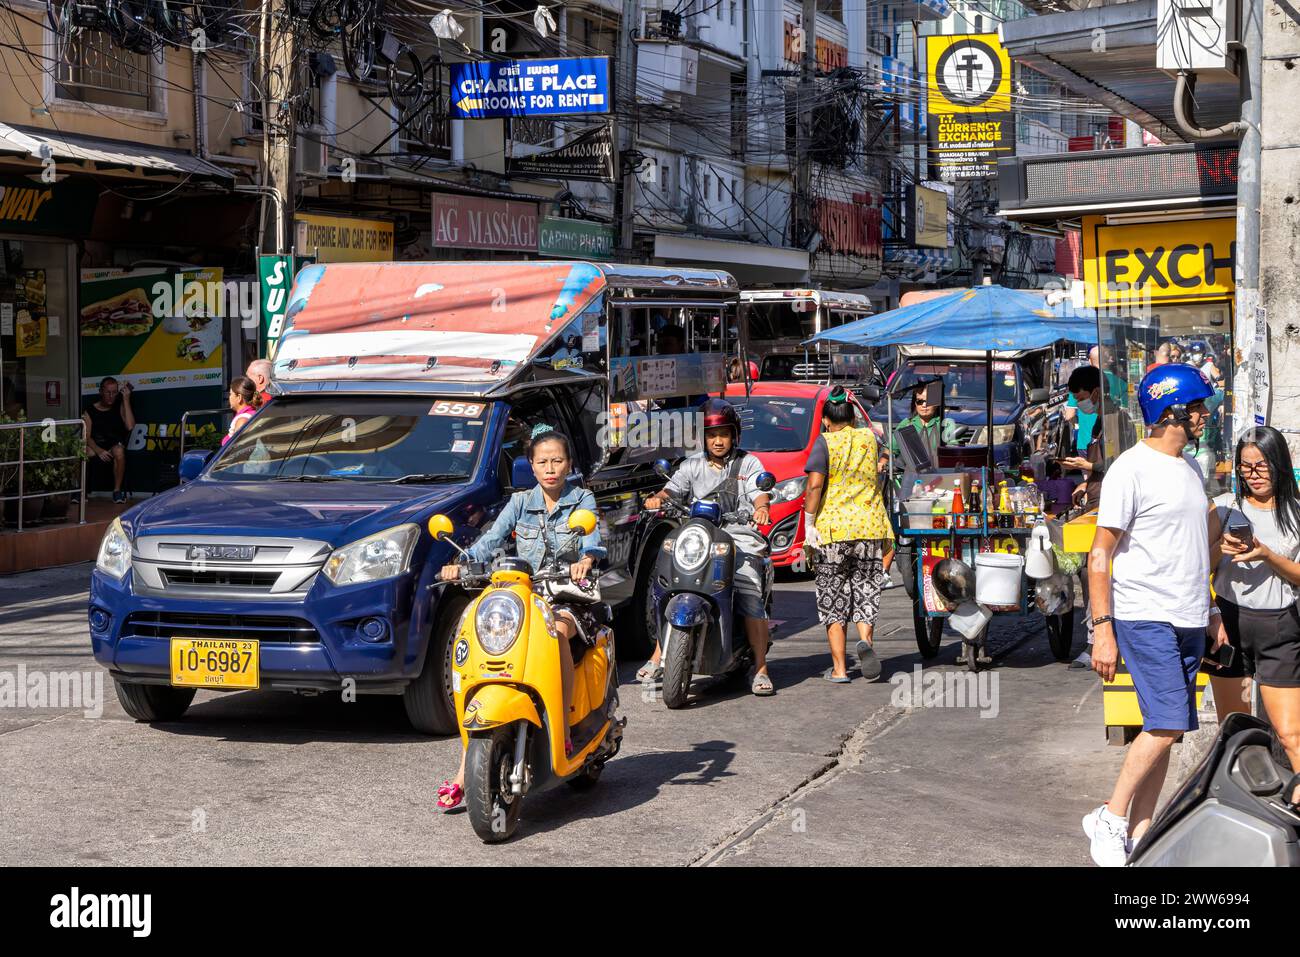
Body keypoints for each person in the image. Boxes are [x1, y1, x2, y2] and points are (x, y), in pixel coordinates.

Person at [1083, 363, 1225, 867]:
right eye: (1197, 407)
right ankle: (1110, 815)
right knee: (1165, 724)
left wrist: (1210, 609)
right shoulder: (1131, 468)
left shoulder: (1189, 468)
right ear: (1172, 411)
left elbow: (1197, 548)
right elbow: (1099, 554)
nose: (1205, 415)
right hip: (1146, 616)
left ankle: (1140, 839)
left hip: (1188, 617)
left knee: (1167, 731)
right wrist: (1103, 629)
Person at [434, 425, 605, 812]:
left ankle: (560, 729)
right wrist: (461, 563)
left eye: (557, 461)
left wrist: (586, 560)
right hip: (524, 595)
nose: (550, 468)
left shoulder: (582, 500)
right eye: (542, 461)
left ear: (569, 463)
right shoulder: (520, 502)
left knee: (557, 632)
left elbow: (593, 540)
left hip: (566, 594)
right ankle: (467, 769)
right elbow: (491, 539)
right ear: (531, 464)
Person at [639, 399, 777, 695]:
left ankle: (761, 668)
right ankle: (658, 655)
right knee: (664, 583)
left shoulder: (748, 464)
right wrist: (657, 498)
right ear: (703, 438)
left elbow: (759, 494)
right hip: (699, 540)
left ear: (734, 435)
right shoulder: (692, 465)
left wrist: (761, 508)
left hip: (739, 540)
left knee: (750, 594)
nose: (717, 441)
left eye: (723, 434)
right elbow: (671, 490)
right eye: (712, 435)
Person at [1206, 427, 1300, 800]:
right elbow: (1200, 568)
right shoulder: (1226, 506)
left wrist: (1267, 555)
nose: (1254, 474)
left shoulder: (1296, 512)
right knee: (1235, 729)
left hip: (1280, 626)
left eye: (1261, 465)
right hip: (1229, 622)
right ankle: (1238, 803)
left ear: (1278, 464)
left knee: (1291, 732)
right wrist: (1221, 550)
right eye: (1245, 467)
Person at [803, 387, 894, 682]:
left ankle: (840, 669)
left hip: (833, 531)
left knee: (834, 597)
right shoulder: (869, 436)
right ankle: (866, 644)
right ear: (852, 417)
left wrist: (808, 522)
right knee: (866, 591)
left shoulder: (825, 442)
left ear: (827, 420)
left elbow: (815, 486)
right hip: (869, 527)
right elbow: (885, 452)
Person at [82, 376, 136, 504]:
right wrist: (98, 450)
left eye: (114, 392)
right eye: (108, 392)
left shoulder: (120, 405)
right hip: (95, 445)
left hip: (113, 445)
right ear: (101, 391)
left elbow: (130, 426)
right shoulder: (90, 410)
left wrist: (126, 399)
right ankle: (81, 491)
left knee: (119, 451)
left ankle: (117, 491)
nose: (111, 396)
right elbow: (86, 435)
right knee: (82, 450)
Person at [889, 383, 959, 464]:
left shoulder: (946, 424)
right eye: (920, 401)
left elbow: (953, 450)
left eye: (929, 401)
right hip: (910, 474)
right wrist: (881, 464)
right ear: (915, 403)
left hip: (939, 473)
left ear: (936, 404)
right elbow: (890, 450)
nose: (924, 405)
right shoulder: (906, 424)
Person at [222, 377, 261, 446]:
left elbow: (238, 450)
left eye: (231, 394)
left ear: (239, 397)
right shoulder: (254, 413)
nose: (229, 397)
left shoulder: (242, 421)